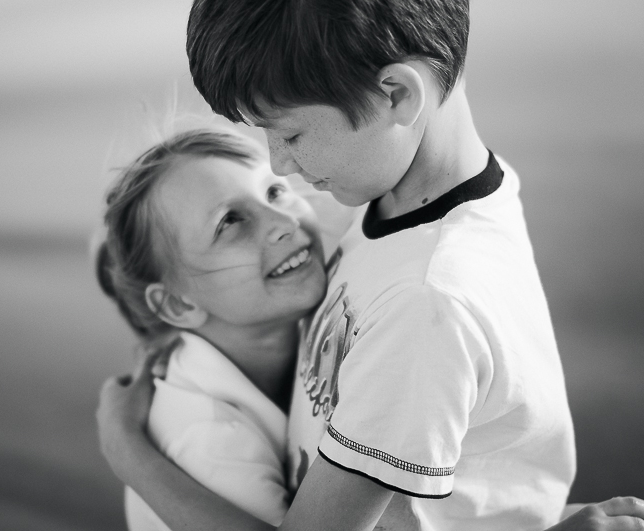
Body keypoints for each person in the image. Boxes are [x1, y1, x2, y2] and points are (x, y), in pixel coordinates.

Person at [97, 1, 644, 530]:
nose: (280, 164)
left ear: (397, 95)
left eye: (290, 133)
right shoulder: (390, 199)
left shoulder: (423, 302)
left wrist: (129, 455)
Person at [97, 128, 335, 530]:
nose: (284, 222)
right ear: (178, 304)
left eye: (274, 191)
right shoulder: (212, 439)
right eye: (230, 221)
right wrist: (126, 450)